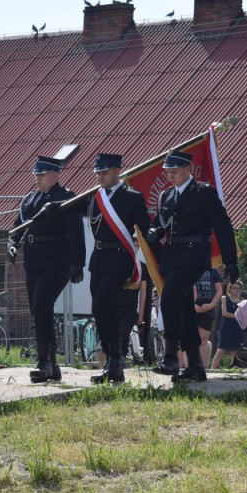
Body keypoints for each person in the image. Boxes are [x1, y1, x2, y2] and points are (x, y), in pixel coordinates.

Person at [145, 149, 239, 382]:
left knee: (169, 299)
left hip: (195, 257)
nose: (170, 176)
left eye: (175, 172)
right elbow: (160, 222)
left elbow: (223, 227)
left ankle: (170, 357)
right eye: (168, 172)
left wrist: (231, 261)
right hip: (173, 258)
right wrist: (154, 231)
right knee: (186, 310)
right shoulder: (166, 196)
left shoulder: (203, 193)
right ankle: (195, 365)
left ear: (188, 169)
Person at [69, 153, 151, 384]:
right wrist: (52, 207)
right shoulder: (95, 197)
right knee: (100, 310)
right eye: (98, 172)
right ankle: (114, 360)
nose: (100, 176)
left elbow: (145, 226)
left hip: (119, 258)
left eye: (104, 172)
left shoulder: (131, 197)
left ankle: (116, 358)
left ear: (117, 170)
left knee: (101, 304)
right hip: (99, 259)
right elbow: (73, 210)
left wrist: (156, 233)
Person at [6, 156, 85, 383]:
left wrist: (78, 262)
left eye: (42, 175)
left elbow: (76, 231)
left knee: (42, 304)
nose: (37, 179)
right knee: (38, 309)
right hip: (33, 261)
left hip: (56, 261)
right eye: (35, 175)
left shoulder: (65, 197)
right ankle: (52, 365)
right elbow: (16, 228)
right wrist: (12, 245)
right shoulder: (29, 199)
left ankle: (43, 362)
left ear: (55, 174)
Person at [210, 279, 244, 369]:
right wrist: (238, 316)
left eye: (238, 288)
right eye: (234, 288)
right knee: (221, 349)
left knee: (235, 351)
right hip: (226, 327)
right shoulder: (224, 298)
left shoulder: (242, 301)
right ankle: (212, 370)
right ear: (230, 288)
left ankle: (233, 370)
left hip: (238, 327)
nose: (236, 290)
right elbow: (225, 313)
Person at [192, 267, 223, 366]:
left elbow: (219, 290)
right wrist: (191, 304)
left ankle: (203, 367)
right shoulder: (188, 267)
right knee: (188, 338)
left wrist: (212, 304)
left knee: (204, 339)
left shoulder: (212, 270)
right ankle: (189, 366)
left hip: (208, 310)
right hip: (190, 309)